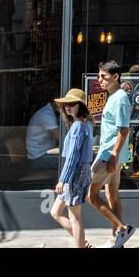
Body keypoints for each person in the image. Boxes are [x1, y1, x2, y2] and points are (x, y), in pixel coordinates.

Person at [88, 60, 137, 247]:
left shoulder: (120, 98)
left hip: (109, 155)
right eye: (99, 76)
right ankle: (119, 239)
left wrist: (113, 155)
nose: (99, 79)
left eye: (103, 76)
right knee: (111, 194)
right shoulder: (114, 96)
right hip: (110, 153)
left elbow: (123, 130)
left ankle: (122, 228)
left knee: (90, 196)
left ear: (115, 77)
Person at [50, 88, 94, 248]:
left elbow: (73, 157)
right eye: (66, 105)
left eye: (72, 104)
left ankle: (80, 244)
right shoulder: (83, 124)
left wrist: (63, 180)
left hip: (75, 174)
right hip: (78, 172)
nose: (68, 107)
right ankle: (81, 242)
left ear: (80, 106)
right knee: (55, 212)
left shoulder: (79, 126)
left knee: (75, 217)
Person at [25, 98, 61, 162]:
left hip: (43, 152)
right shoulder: (47, 114)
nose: (67, 107)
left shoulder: (48, 111)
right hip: (38, 156)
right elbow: (59, 137)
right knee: (67, 160)